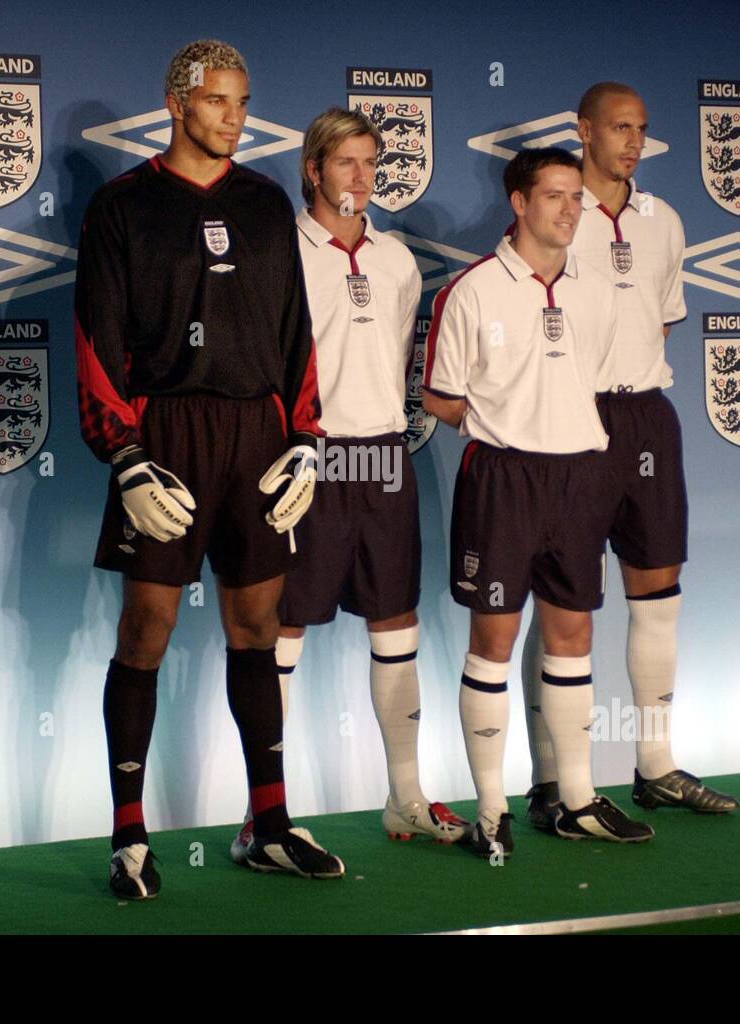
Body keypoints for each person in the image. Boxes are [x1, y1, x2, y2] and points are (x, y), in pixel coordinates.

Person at [74, 39, 345, 900]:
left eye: (242, 100)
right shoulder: (122, 206)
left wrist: (306, 436)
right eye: (219, 101)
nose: (235, 117)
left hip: (255, 432)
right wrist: (123, 454)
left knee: (258, 626)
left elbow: (297, 330)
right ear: (177, 102)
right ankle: (127, 839)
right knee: (146, 627)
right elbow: (95, 339)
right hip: (166, 433)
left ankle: (267, 825)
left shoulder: (267, 204)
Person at [230, 108, 468, 861]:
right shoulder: (282, 252)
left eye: (371, 162)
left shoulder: (398, 260)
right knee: (283, 630)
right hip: (310, 461)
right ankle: (260, 816)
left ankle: (405, 798)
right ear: (313, 170)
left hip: (385, 460)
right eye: (345, 163)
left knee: (396, 622)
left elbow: (396, 363)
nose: (361, 177)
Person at [520, 82, 739, 835]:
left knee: (658, 589)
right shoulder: (558, 216)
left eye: (641, 128)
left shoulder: (664, 220)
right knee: (562, 603)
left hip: (646, 415)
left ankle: (655, 764)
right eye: (619, 126)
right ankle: (552, 781)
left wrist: (630, 386)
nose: (633, 140)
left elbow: (662, 321)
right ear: (583, 130)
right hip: (572, 423)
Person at [422, 147, 642, 858]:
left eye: (577, 197)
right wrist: (508, 424)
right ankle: (491, 810)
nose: (570, 210)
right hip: (503, 481)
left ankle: (575, 799)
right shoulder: (472, 290)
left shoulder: (594, 290)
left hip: (580, 478)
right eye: (554, 197)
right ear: (518, 203)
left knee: (572, 634)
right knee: (494, 640)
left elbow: (596, 379)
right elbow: (440, 396)